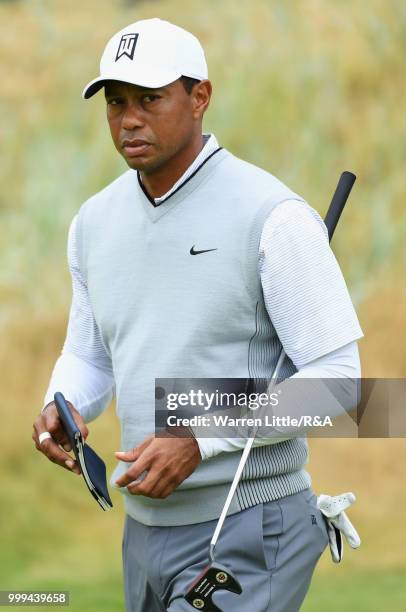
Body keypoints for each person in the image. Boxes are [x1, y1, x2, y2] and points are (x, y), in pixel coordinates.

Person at [32, 18, 363, 612]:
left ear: (200, 97)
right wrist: (66, 402)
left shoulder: (274, 216)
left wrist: (200, 437)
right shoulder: (94, 223)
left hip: (250, 524)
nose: (129, 119)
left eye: (150, 99)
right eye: (116, 103)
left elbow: (341, 384)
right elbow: (90, 352)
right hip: (144, 532)